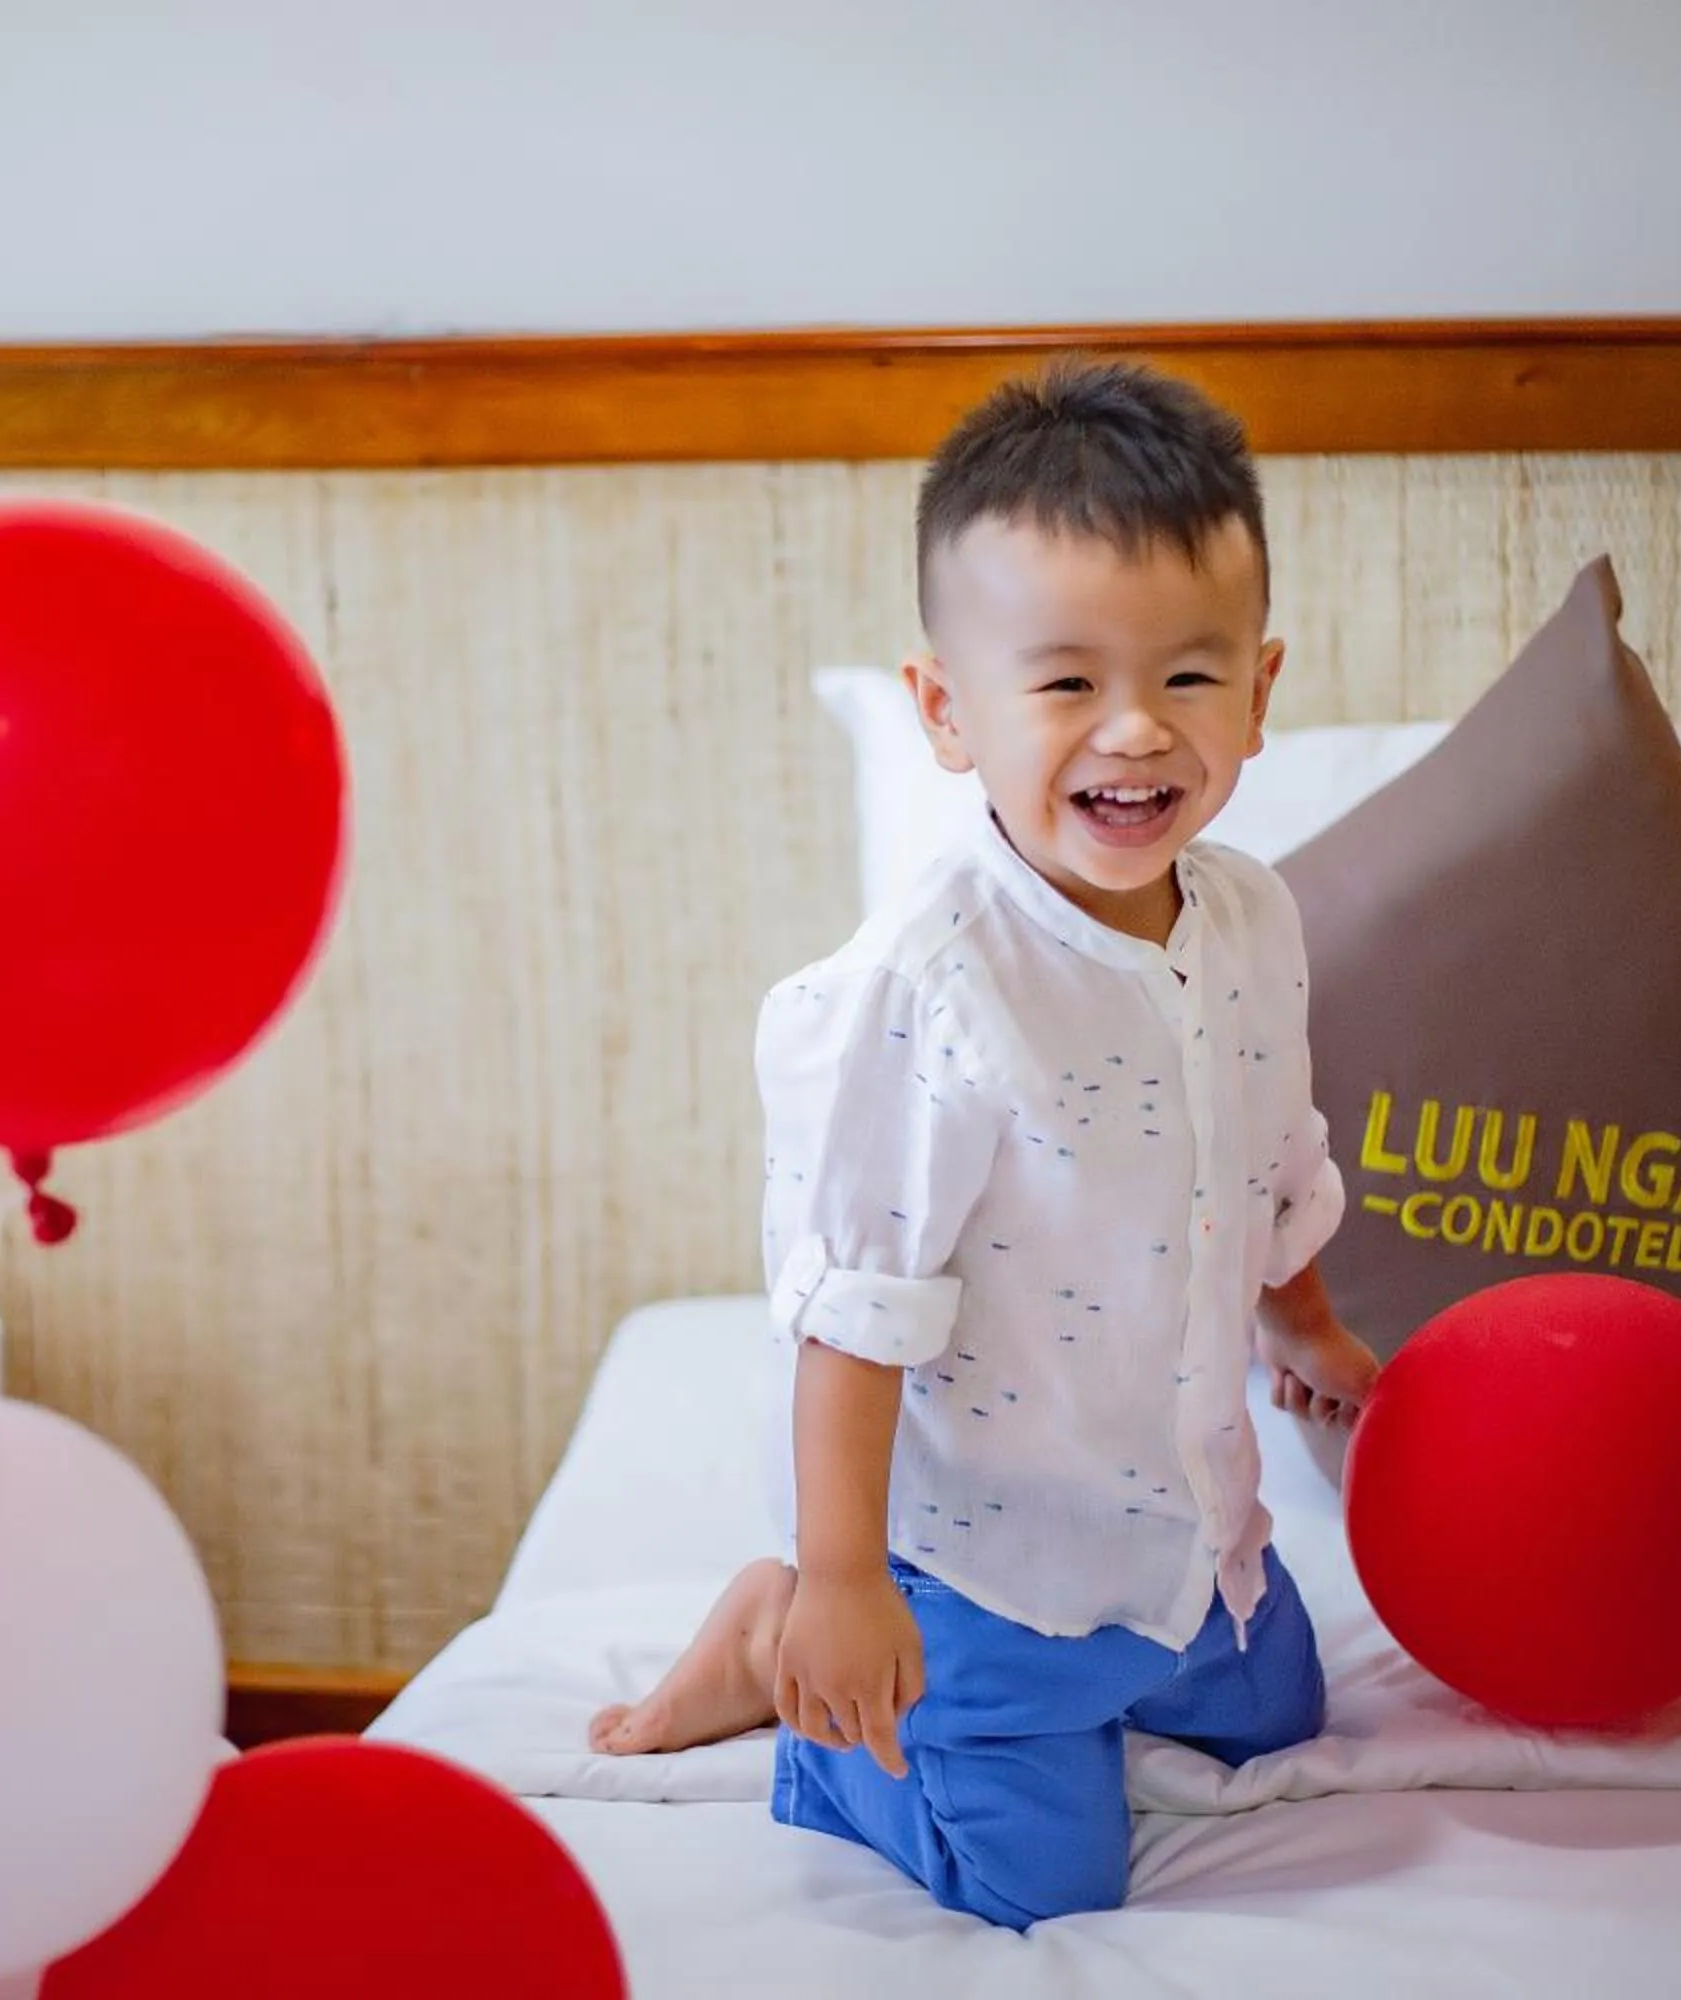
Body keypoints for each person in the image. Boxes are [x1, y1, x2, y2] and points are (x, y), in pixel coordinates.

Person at [587, 362, 1381, 1929]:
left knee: (1286, 1714)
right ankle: (772, 1659)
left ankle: (1151, 1642)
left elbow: (1263, 1161)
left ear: (1264, 688)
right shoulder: (928, 995)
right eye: (1068, 683)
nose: (1136, 732)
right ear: (949, 711)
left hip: (1182, 1522)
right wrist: (838, 1582)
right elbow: (855, 1312)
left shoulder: (1254, 918)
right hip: (981, 1552)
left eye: (1192, 678)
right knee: (1042, 1882)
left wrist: (1314, 1330)